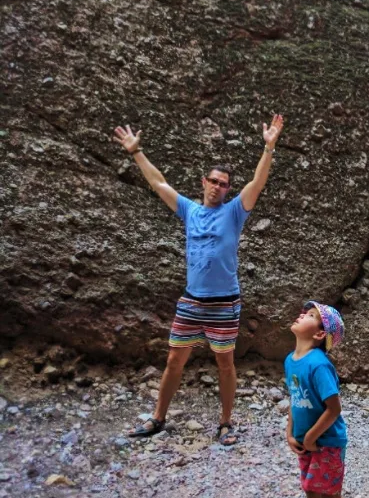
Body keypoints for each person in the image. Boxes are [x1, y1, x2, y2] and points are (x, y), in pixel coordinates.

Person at [113, 115, 284, 445]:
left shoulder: (234, 211)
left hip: (224, 302)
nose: (218, 187)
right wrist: (136, 152)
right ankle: (158, 418)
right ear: (203, 182)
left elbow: (257, 184)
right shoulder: (190, 210)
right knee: (174, 360)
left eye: (224, 184)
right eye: (214, 181)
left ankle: (225, 423)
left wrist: (269, 147)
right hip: (192, 300)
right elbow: (159, 183)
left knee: (225, 362)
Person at [282, 301, 349, 498]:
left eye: (311, 316)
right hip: (307, 441)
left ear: (321, 335)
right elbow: (294, 399)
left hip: (327, 443)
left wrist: (311, 438)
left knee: (330, 497)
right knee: (312, 491)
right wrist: (290, 432)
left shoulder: (319, 364)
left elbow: (333, 408)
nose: (302, 314)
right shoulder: (291, 360)